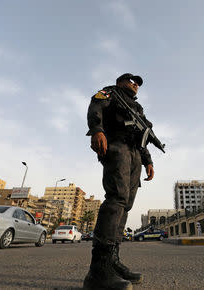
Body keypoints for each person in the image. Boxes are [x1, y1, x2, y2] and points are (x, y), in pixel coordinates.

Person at [83, 73, 155, 290]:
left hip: (134, 154)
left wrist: (148, 161)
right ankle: (98, 269)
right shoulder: (110, 93)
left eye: (138, 83)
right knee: (116, 197)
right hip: (116, 146)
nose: (135, 84)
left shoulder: (138, 109)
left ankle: (112, 262)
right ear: (120, 82)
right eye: (131, 80)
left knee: (126, 204)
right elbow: (95, 106)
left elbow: (141, 137)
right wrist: (97, 130)